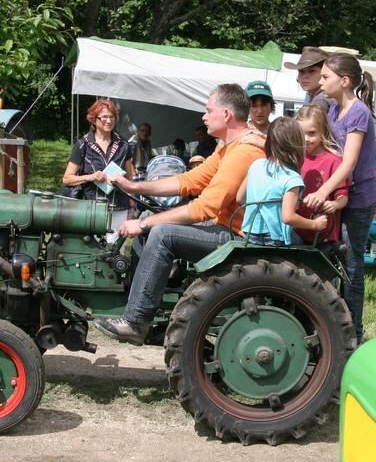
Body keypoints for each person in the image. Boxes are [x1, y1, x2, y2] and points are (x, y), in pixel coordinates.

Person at [95, 84, 264, 344]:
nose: (204, 117)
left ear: (226, 114)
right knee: (150, 227)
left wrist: (145, 223)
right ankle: (144, 306)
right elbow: (189, 181)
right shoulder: (227, 147)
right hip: (223, 228)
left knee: (161, 233)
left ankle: (137, 321)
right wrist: (135, 186)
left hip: (237, 237)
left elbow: (204, 208)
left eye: (208, 111)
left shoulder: (244, 151)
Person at [302, 53, 376, 344]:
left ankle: (353, 336)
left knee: (351, 264)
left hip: (358, 199)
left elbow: (348, 162)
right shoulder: (334, 109)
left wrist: (323, 191)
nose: (320, 82)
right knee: (333, 256)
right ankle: (333, 326)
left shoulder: (358, 112)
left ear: (344, 81)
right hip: (339, 193)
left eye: (325, 77)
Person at [236, 117, 327, 246]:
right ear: (297, 145)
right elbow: (288, 217)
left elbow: (240, 198)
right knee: (304, 243)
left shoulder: (256, 165)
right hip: (275, 238)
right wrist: (315, 224)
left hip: (250, 234)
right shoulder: (292, 179)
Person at [60, 98, 136, 240]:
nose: (109, 121)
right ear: (94, 119)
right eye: (104, 117)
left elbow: (129, 178)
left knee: (114, 250)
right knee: (92, 251)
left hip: (119, 208)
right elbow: (67, 179)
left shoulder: (124, 145)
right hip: (91, 209)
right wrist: (90, 177)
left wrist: (132, 206)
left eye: (112, 117)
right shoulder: (82, 145)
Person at [294, 104, 349, 244]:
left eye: (312, 133)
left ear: (322, 132)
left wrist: (335, 204)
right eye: (301, 133)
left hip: (323, 235)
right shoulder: (294, 157)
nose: (306, 138)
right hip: (295, 231)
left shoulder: (334, 161)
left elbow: (343, 196)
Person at [284, 46, 331, 112]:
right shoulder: (314, 97)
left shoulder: (320, 101)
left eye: (312, 71)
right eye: (301, 71)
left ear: (324, 74)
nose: (304, 76)